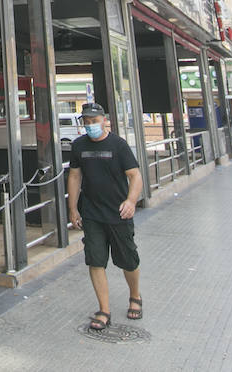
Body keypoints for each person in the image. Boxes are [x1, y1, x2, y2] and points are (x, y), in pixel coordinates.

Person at [67, 102, 143, 332]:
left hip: (118, 213)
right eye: (87, 122)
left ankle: (135, 295)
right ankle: (104, 310)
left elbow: (135, 175)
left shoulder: (118, 145)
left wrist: (131, 201)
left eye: (94, 121)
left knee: (128, 260)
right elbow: (74, 176)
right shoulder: (79, 146)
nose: (91, 125)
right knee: (95, 260)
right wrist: (73, 208)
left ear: (104, 120)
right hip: (92, 214)